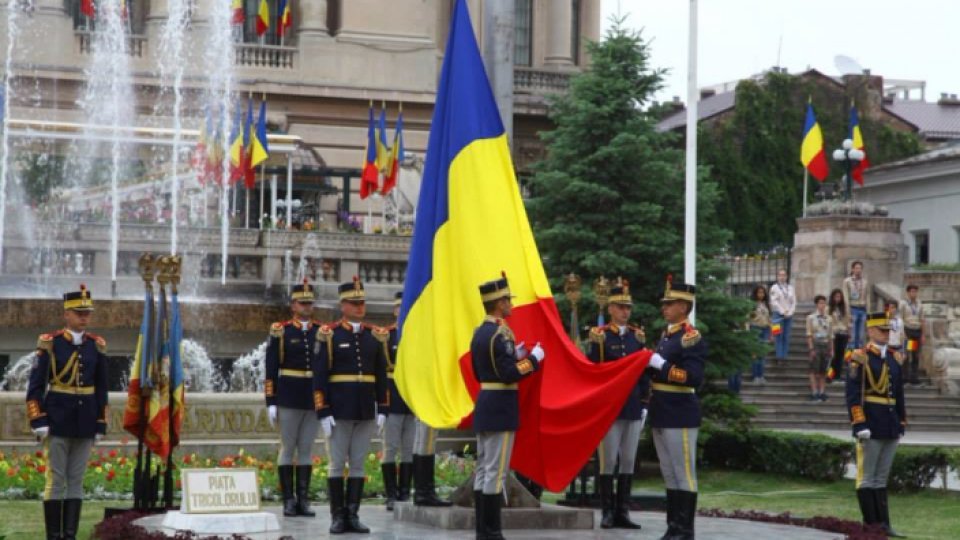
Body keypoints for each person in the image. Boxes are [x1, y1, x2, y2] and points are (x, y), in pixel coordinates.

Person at [26, 285, 109, 540]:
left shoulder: (96, 346)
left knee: (76, 479)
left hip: (85, 422)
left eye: (87, 313)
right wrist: (37, 419)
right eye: (79, 313)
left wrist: (100, 423)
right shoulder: (50, 344)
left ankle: (69, 534)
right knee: (56, 478)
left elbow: (102, 389)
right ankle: (54, 535)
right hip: (57, 420)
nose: (84, 317)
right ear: (67, 314)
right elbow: (36, 386)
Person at [470, 273, 545, 540]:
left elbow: (483, 372)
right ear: (498, 303)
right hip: (501, 407)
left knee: (483, 469)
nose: (510, 304)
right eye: (507, 300)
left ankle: (483, 530)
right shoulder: (500, 334)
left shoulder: (480, 332)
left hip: (486, 405)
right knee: (496, 472)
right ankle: (492, 532)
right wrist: (533, 360)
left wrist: (516, 354)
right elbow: (509, 374)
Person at [314, 278, 389, 535]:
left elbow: (381, 375)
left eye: (362, 303)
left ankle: (353, 515)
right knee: (337, 464)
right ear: (343, 305)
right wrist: (322, 410)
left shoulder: (374, 337)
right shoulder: (330, 334)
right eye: (354, 303)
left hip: (365, 409)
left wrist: (383, 407)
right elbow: (320, 375)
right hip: (340, 410)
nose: (359, 307)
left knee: (358, 463)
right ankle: (337, 516)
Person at [647, 277, 706, 540]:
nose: (665, 308)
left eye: (670, 304)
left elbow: (694, 377)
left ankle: (686, 530)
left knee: (684, 474)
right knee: (670, 474)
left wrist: (663, 367)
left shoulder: (689, 338)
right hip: (662, 410)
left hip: (680, 411)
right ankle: (673, 527)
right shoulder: (668, 336)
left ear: (684, 306)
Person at [586, 279, 647, 530]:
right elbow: (594, 373)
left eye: (628, 308)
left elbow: (643, 372)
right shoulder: (600, 337)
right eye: (620, 307)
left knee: (628, 460)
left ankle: (623, 511)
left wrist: (644, 402)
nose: (625, 312)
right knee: (608, 460)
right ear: (610, 309)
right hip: (610, 408)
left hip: (632, 406)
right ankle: (607, 512)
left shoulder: (637, 337)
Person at [846, 312, 907, 538]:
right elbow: (853, 394)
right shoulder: (860, 357)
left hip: (890, 424)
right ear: (870, 331)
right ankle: (871, 525)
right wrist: (858, 423)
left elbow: (899, 394)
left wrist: (901, 420)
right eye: (882, 330)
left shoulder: (894, 358)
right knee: (867, 477)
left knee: (881, 477)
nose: (886, 334)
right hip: (870, 423)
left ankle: (884, 524)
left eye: (888, 331)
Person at [265, 279, 320, 517]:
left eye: (309, 303)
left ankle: (304, 499)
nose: (306, 307)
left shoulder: (321, 332)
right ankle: (288, 499)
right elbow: (271, 367)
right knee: (288, 448)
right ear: (293, 305)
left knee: (306, 448)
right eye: (302, 303)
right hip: (288, 395)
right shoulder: (282, 331)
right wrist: (271, 400)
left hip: (312, 397)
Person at [380, 292, 415, 510]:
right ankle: (391, 494)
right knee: (390, 448)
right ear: (394, 311)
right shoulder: (386, 335)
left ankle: (404, 493)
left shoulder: (415, 337)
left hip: (410, 401)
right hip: (392, 399)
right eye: (399, 308)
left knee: (409, 450)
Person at [805, 295, 832, 402]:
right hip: (816, 343)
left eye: (824, 303)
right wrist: (811, 348)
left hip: (825, 344)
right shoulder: (811, 318)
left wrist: (831, 348)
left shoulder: (829, 318)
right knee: (813, 369)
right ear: (816, 304)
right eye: (820, 303)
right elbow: (809, 334)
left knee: (823, 370)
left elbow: (831, 335)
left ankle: (822, 391)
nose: (822, 305)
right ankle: (814, 391)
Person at [769, 269, 796, 363]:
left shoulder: (790, 288)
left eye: (784, 275)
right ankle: (779, 356)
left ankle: (784, 356)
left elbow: (794, 302)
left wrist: (790, 312)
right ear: (777, 276)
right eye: (780, 275)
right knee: (777, 335)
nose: (782, 277)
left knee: (786, 336)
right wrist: (782, 311)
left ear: (787, 276)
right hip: (777, 315)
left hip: (788, 316)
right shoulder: (774, 288)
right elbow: (774, 302)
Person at [899, 285, 924, 386]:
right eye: (912, 291)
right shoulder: (903, 304)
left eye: (915, 291)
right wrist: (903, 332)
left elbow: (922, 319)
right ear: (908, 293)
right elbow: (900, 318)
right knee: (906, 354)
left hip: (916, 330)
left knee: (915, 355)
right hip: (908, 330)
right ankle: (905, 377)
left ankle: (914, 377)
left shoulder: (919, 304)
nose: (914, 293)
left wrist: (922, 334)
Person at [747, 285, 773, 385]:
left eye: (762, 292)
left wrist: (774, 334)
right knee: (755, 354)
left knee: (763, 354)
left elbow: (772, 320)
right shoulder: (752, 305)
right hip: (755, 328)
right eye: (759, 292)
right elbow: (747, 319)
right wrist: (747, 331)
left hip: (765, 329)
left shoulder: (767, 305)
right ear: (755, 293)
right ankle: (755, 376)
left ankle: (761, 375)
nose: (761, 294)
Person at [843, 261, 871, 349]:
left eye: (860, 268)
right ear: (852, 269)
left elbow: (868, 297)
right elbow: (845, 298)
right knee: (852, 335)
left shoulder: (865, 282)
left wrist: (868, 313)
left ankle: (859, 357)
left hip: (862, 309)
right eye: (856, 268)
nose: (858, 270)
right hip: (852, 308)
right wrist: (848, 313)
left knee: (861, 335)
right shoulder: (847, 281)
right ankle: (851, 358)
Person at [827, 288, 850, 382]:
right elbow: (828, 321)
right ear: (832, 297)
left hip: (843, 333)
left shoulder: (844, 309)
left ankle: (838, 375)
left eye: (839, 297)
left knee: (840, 356)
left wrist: (848, 332)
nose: (838, 298)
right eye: (836, 296)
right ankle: (830, 375)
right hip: (834, 334)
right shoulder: (829, 309)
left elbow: (848, 321)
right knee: (833, 356)